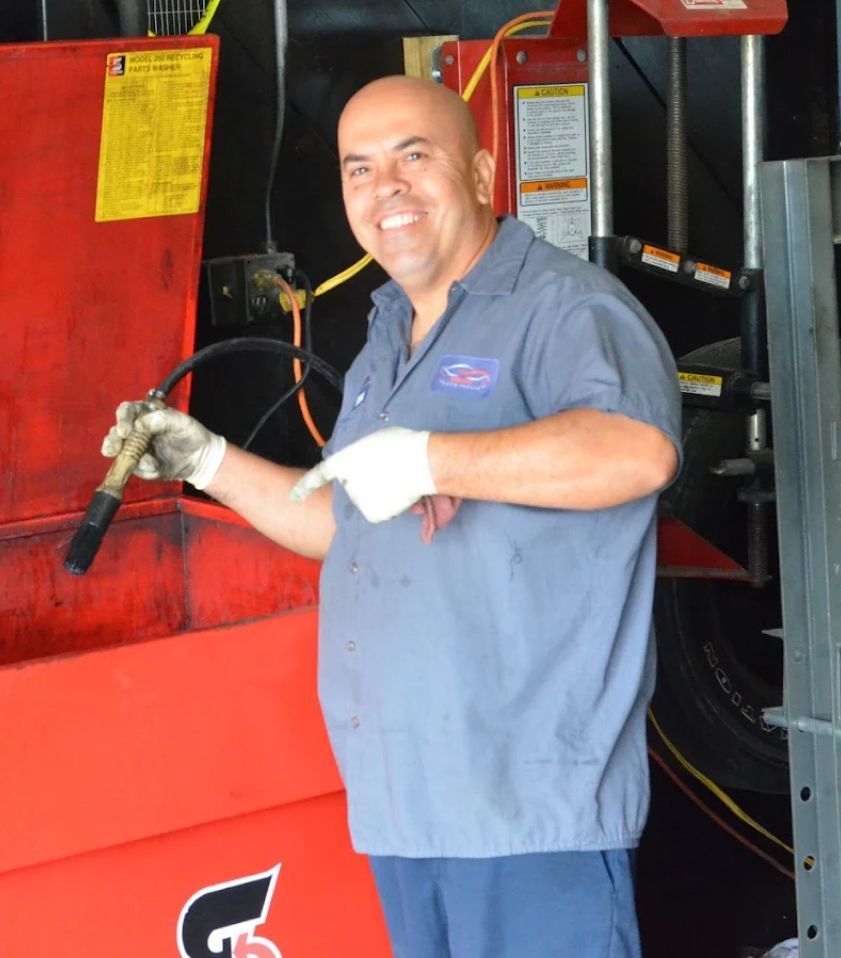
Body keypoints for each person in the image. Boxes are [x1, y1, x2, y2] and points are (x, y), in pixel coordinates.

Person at [102, 75, 682, 958]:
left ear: (483, 173)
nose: (388, 190)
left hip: (528, 811)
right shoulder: (388, 332)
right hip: (406, 807)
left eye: (416, 156)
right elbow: (345, 523)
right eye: (360, 169)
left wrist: (430, 457)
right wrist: (208, 462)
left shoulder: (567, 308)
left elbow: (638, 453)